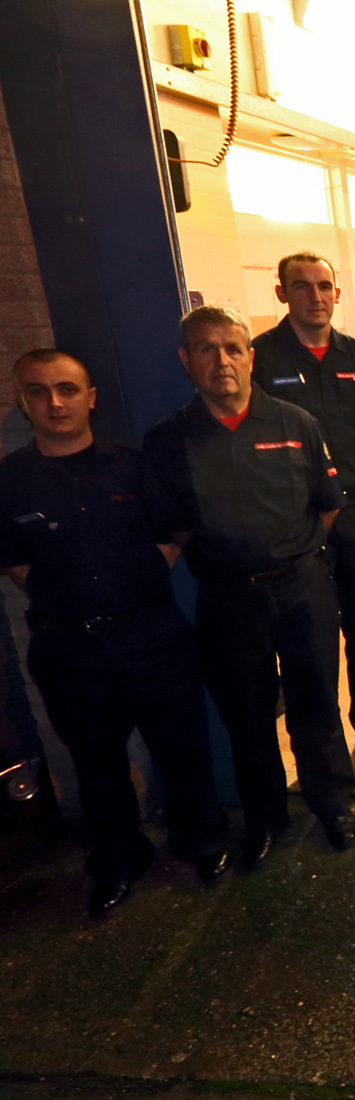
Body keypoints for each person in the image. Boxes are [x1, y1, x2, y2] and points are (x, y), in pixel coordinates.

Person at [0, 350, 229, 914]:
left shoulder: (134, 465)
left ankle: (200, 842)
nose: (55, 402)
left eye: (67, 389)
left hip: (149, 632)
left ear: (91, 396)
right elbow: (14, 562)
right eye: (39, 392)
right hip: (68, 646)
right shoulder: (10, 480)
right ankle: (119, 860)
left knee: (181, 748)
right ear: (22, 400)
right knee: (96, 760)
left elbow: (172, 534)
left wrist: (130, 591)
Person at [143, 306, 355, 870]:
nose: (223, 361)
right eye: (208, 350)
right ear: (187, 361)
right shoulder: (169, 440)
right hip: (228, 598)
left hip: (302, 588)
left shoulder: (295, 423)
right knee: (247, 713)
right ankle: (266, 817)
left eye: (233, 348)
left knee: (316, 701)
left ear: (250, 356)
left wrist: (290, 553)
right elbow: (172, 527)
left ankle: (332, 803)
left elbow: (328, 507)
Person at [252, 251, 355, 758]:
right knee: (305, 633)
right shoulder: (261, 357)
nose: (315, 297)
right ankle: (318, 750)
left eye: (324, 286)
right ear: (281, 293)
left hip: (353, 506)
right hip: (293, 516)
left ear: (338, 293)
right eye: (302, 287)